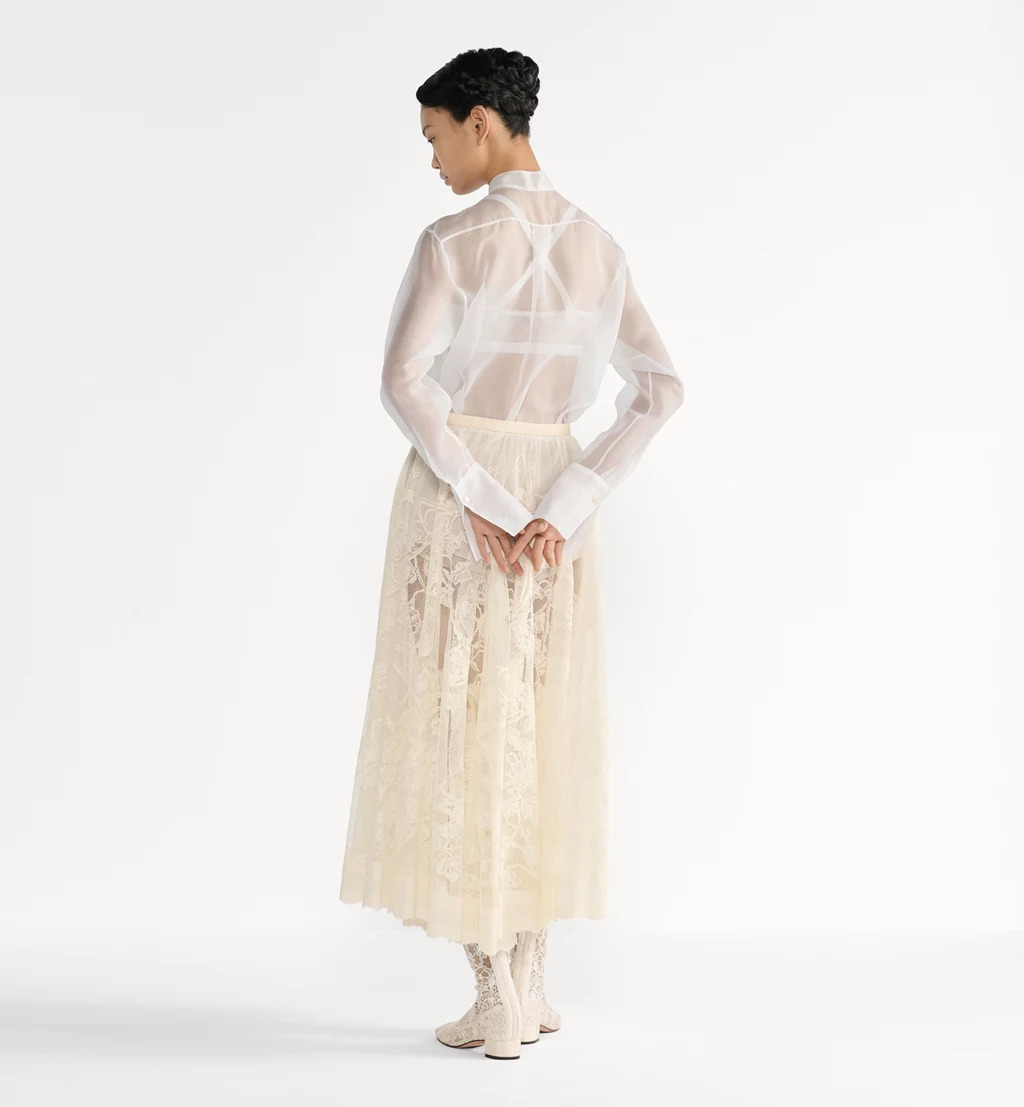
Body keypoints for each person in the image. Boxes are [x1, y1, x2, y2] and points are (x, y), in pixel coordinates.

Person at [339, 46, 684, 1060]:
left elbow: (405, 382)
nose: (433, 159)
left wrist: (482, 497)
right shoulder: (599, 246)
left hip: (463, 497)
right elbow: (660, 389)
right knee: (539, 724)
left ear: (480, 123)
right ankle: (529, 984)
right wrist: (566, 501)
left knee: (465, 726)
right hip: (555, 512)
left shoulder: (454, 241)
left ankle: (496, 993)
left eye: (436, 136)